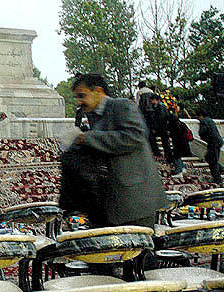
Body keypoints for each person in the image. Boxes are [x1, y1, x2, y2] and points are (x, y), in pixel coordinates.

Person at [59, 73, 167, 229]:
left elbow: (134, 137)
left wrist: (87, 138)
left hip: (134, 201)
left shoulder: (121, 105)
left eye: (82, 95)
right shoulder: (95, 115)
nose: (79, 101)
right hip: (110, 201)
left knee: (136, 250)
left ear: (98, 91)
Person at [150, 94, 183, 176]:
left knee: (166, 145)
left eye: (151, 100)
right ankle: (173, 161)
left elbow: (160, 118)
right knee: (166, 144)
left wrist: (156, 128)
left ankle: (170, 160)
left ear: (155, 99)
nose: (150, 102)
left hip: (162, 128)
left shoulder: (160, 107)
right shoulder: (163, 106)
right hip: (164, 129)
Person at [197, 109, 223, 184]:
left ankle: (217, 179)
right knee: (209, 158)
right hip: (217, 141)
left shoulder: (203, 122)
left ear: (200, 116)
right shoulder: (209, 120)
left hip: (213, 143)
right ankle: (220, 170)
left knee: (212, 161)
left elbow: (202, 132)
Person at [136, 81, 158, 156]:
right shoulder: (151, 91)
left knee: (146, 132)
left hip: (144, 114)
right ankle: (155, 150)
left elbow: (138, 104)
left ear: (139, 86)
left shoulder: (140, 92)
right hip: (153, 114)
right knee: (152, 132)